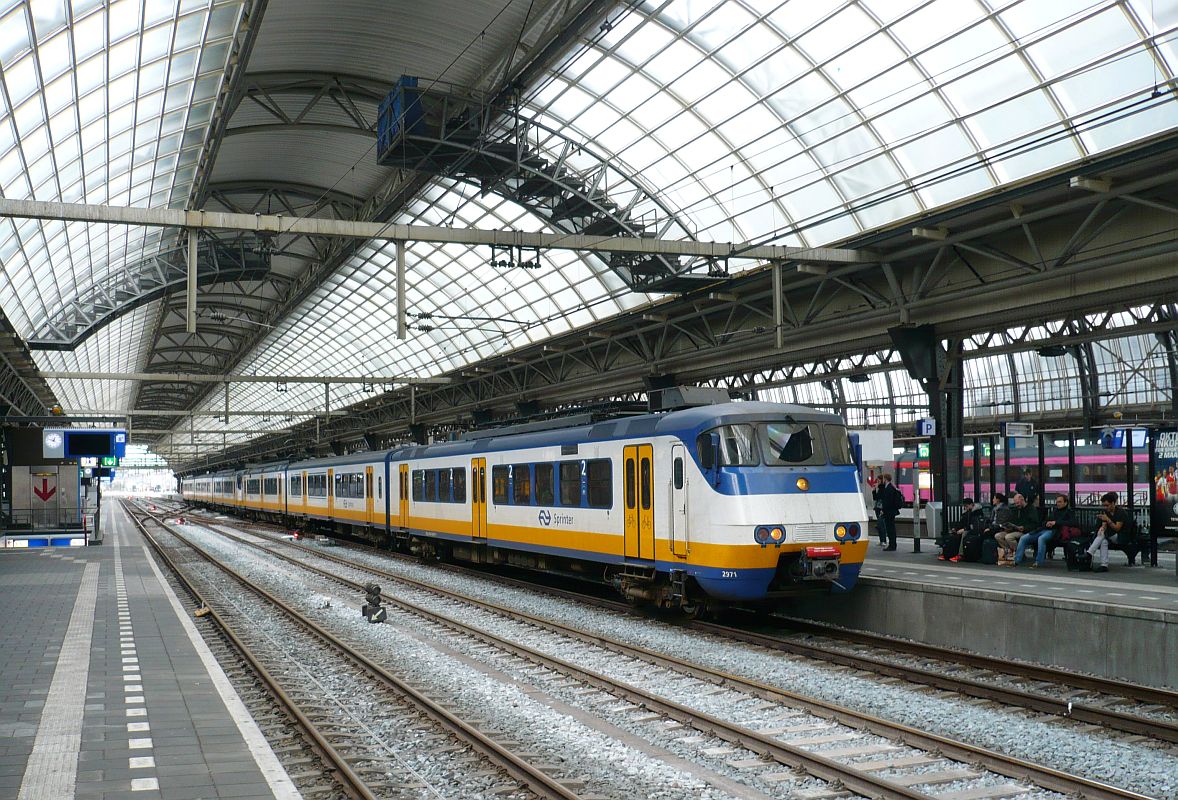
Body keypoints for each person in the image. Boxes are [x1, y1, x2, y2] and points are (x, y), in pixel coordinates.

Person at [1013, 495, 1075, 568]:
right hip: (1044, 529)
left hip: (1054, 531)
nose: (1058, 504)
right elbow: (1044, 521)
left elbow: (1072, 522)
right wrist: (1047, 523)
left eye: (1060, 502)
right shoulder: (1054, 511)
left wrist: (1056, 523)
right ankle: (1017, 560)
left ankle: (1038, 562)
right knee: (1023, 538)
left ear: (1065, 503)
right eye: (1057, 502)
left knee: (1041, 539)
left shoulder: (1069, 512)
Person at [1086, 491, 1131, 573]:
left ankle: (1089, 553)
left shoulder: (1120, 513)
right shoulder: (1106, 512)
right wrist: (1102, 527)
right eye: (1104, 505)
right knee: (1103, 540)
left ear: (1113, 503)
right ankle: (1104, 565)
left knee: (1103, 535)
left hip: (1121, 536)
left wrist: (1108, 520)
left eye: (1107, 505)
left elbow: (1117, 528)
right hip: (1110, 535)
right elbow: (1104, 524)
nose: (1106, 507)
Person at [996, 492, 1037, 565]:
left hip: (1025, 530)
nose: (1016, 505)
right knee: (998, 536)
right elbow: (1012, 521)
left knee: (1009, 537)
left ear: (1022, 499)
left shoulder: (1031, 509)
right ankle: (1009, 553)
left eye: (1018, 503)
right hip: (1014, 529)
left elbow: (1034, 523)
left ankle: (1018, 554)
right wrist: (1007, 527)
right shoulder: (1016, 509)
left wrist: (1024, 528)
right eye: (1015, 503)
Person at [938, 498, 983, 562]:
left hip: (973, 530)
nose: (965, 508)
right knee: (951, 536)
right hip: (965, 528)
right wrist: (956, 529)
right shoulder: (965, 513)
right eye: (964, 506)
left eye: (966, 506)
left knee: (964, 534)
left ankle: (960, 554)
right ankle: (947, 553)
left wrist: (964, 529)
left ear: (971, 505)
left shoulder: (977, 512)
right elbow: (961, 523)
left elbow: (975, 525)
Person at [873, 473, 903, 551]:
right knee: (890, 528)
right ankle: (892, 544)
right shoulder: (889, 487)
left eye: (883, 479)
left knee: (890, 529)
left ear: (885, 479)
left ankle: (892, 545)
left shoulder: (889, 488)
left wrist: (883, 510)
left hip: (889, 512)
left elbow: (888, 501)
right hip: (890, 511)